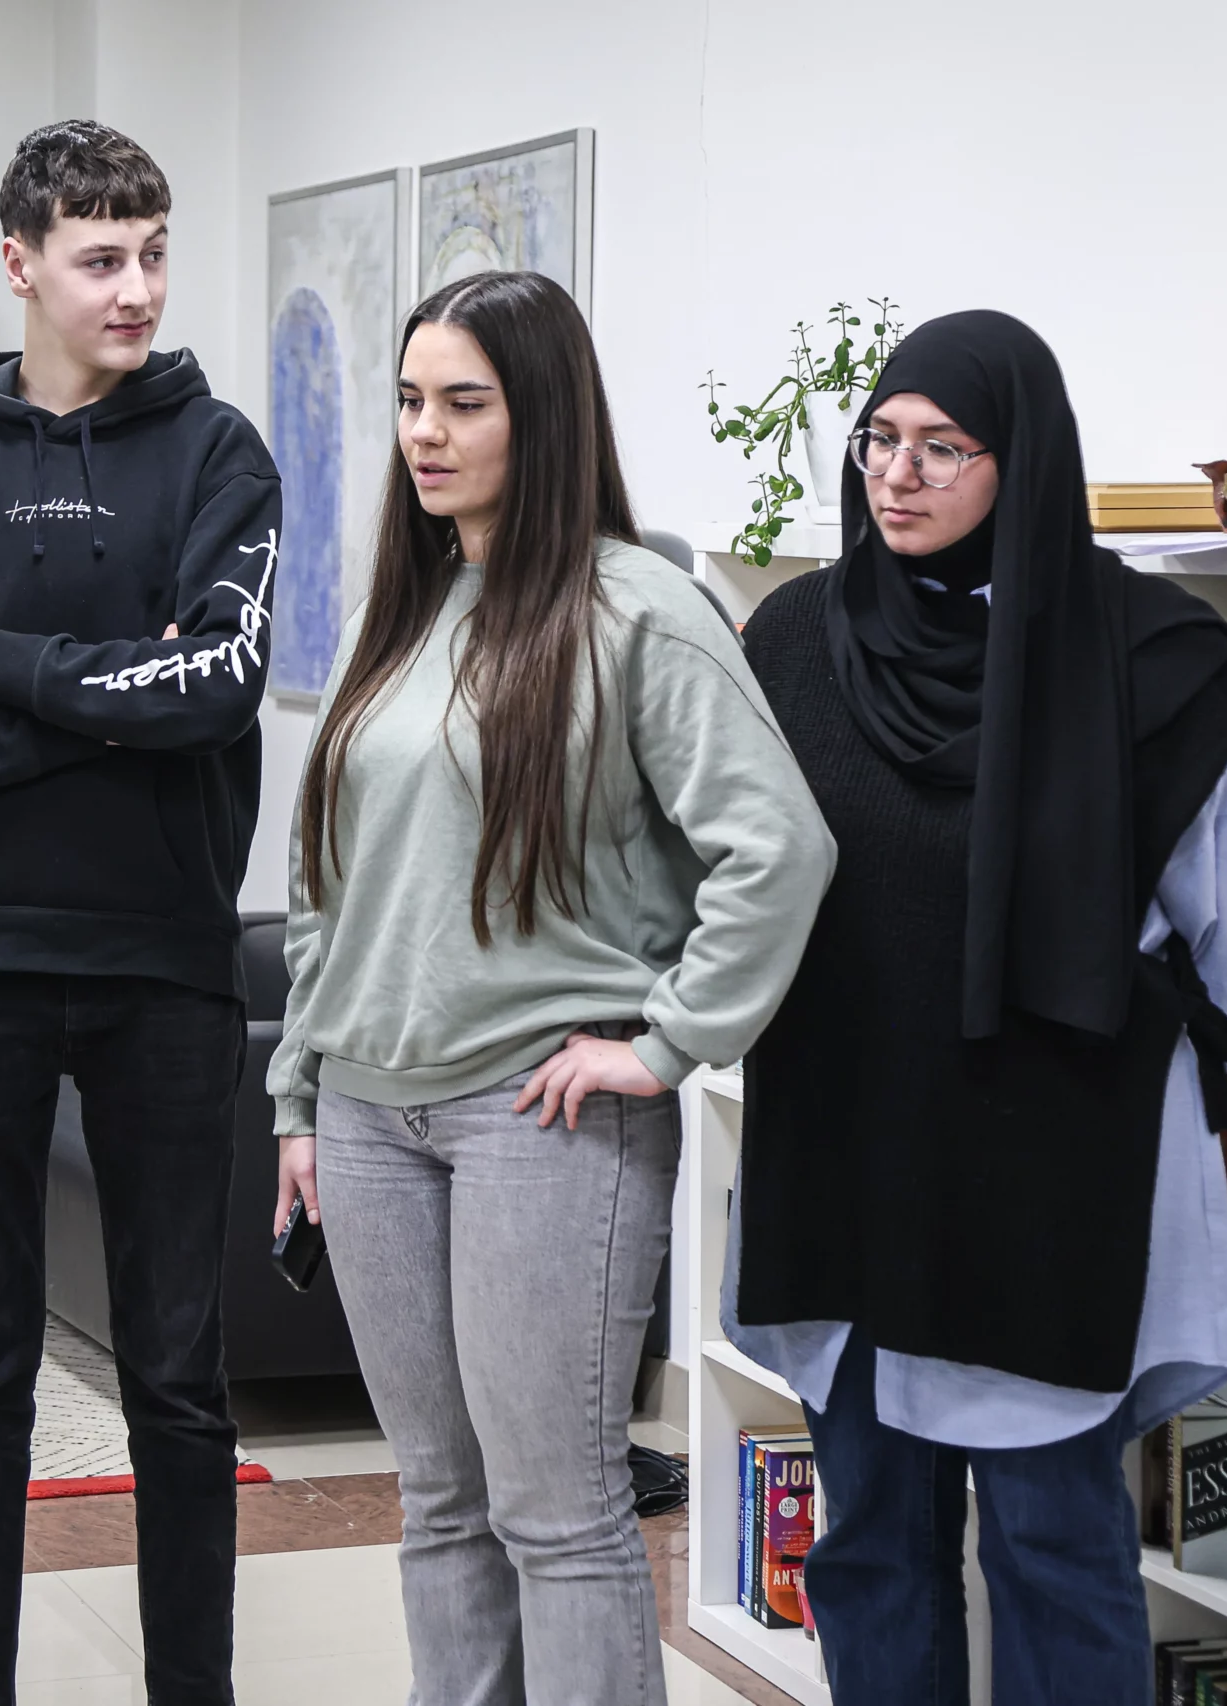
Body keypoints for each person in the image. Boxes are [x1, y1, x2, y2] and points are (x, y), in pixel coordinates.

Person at [265, 269, 834, 1705]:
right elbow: (325, 875)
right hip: (369, 1117)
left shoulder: (638, 607)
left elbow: (780, 845)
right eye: (411, 401)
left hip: (544, 1116)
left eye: (464, 403)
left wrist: (670, 1041)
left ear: (547, 415)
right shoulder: (398, 611)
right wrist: (299, 1093)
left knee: (558, 1511)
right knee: (438, 1504)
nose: (424, 432)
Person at [728, 311, 1227, 1706]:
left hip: (1049, 1167)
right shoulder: (797, 640)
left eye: (943, 447)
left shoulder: (1153, 662)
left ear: (1023, 460)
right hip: (851, 1150)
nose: (896, 474)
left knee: (1053, 1540)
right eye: (879, 440)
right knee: (872, 1537)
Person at [0, 121, 280, 1706]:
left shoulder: (220, 453)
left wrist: (6, 665)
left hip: (166, 966)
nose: (136, 288)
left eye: (153, 253)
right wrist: (105, 711)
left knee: (179, 1380)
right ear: (19, 264)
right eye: (101, 259)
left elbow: (215, 681)